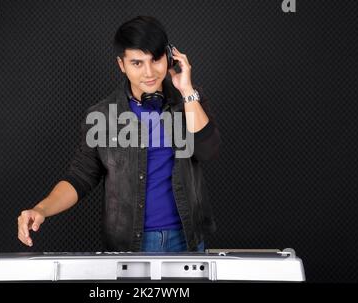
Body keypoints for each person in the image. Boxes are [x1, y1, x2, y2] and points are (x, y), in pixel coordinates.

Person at [17, 16, 220, 252]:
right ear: (121, 65)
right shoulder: (102, 115)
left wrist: (186, 90)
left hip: (187, 238)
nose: (149, 72)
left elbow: (208, 151)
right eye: (137, 63)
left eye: (156, 59)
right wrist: (41, 209)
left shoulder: (189, 100)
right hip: (130, 244)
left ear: (170, 56)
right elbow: (81, 176)